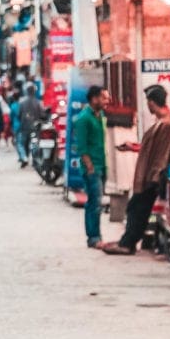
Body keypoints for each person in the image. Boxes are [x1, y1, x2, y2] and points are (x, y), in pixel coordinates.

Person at [103, 84, 170, 255]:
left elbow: (164, 152)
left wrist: (156, 175)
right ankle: (128, 241)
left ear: (152, 103)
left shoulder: (169, 124)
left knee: (137, 208)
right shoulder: (163, 123)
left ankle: (128, 243)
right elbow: (151, 148)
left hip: (153, 175)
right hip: (150, 173)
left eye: (148, 102)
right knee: (137, 207)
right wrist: (132, 147)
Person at [73, 86, 108, 248]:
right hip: (92, 167)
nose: (106, 101)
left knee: (96, 202)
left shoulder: (99, 116)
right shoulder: (83, 119)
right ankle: (93, 237)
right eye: (103, 98)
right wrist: (90, 167)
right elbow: (82, 147)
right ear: (94, 99)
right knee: (94, 203)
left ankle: (96, 235)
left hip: (101, 164)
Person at [17, 84, 43, 169]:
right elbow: (42, 114)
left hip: (24, 126)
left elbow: (19, 114)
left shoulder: (22, 102)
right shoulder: (38, 102)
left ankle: (24, 157)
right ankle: (35, 160)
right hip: (35, 127)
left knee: (21, 144)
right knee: (34, 144)